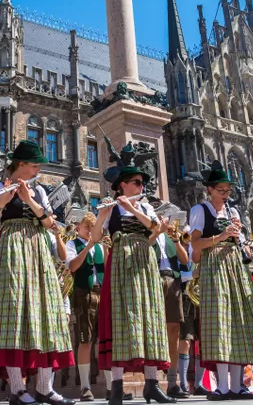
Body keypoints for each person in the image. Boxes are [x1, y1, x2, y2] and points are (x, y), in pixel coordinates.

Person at [0, 141, 75, 405]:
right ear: (21, 165)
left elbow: (51, 224)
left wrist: (29, 199)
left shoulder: (39, 190)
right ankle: (17, 389)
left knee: (47, 313)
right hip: (12, 248)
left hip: (38, 248)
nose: (38, 169)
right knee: (14, 313)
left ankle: (44, 387)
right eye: (34, 165)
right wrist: (2, 203)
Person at [189, 165, 253, 401]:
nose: (225, 193)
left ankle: (237, 386)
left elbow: (241, 245)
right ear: (210, 190)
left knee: (238, 322)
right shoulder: (200, 210)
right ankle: (222, 387)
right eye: (221, 189)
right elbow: (195, 246)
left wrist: (241, 240)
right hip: (214, 266)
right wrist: (221, 237)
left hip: (234, 266)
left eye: (227, 189)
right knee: (220, 324)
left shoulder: (233, 212)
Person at [92, 166, 174, 405]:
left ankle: (152, 385)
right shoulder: (111, 207)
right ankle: (116, 388)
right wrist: (101, 216)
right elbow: (96, 238)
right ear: (122, 186)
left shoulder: (145, 205)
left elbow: (154, 227)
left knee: (150, 318)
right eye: (137, 183)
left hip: (144, 261)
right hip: (121, 261)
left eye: (141, 183)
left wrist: (133, 209)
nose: (141, 186)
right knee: (121, 319)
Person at [65, 213, 106, 402]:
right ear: (78, 227)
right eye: (87, 227)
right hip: (83, 293)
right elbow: (72, 266)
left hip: (101, 292)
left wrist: (101, 246)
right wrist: (88, 246)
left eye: (93, 227)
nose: (90, 231)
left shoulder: (100, 247)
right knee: (85, 340)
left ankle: (112, 385)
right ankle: (85, 387)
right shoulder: (72, 244)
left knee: (105, 339)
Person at [154, 219, 190, 399]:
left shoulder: (171, 238)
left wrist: (175, 239)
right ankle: (152, 381)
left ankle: (172, 382)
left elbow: (184, 260)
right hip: (153, 279)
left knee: (174, 330)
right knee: (153, 330)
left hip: (172, 280)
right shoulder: (149, 235)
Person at [175, 235, 199, 397]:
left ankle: (198, 383)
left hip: (199, 298)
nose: (188, 240)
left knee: (200, 341)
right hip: (184, 297)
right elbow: (176, 276)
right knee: (185, 340)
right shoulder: (177, 253)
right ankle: (182, 381)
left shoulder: (197, 252)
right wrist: (193, 274)